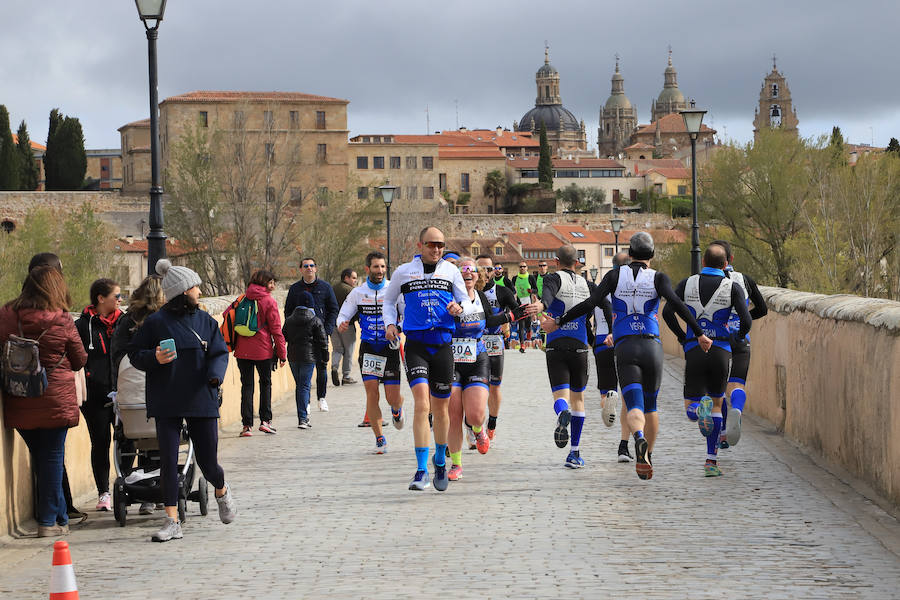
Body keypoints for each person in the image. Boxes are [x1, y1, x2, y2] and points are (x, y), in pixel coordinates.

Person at [542, 233, 711, 480]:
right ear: (651, 256)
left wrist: (559, 321)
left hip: (625, 348)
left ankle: (638, 437)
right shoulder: (658, 278)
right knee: (651, 405)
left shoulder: (613, 276)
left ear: (630, 254)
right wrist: (699, 334)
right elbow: (676, 303)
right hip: (651, 346)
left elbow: (591, 304)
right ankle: (648, 454)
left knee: (633, 404)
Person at [128, 259, 235, 542]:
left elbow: (220, 352)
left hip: (201, 397)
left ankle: (221, 490)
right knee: (167, 461)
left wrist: (215, 377)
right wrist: (154, 358)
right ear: (183, 290)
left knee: (208, 461)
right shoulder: (155, 323)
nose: (199, 291)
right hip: (167, 397)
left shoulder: (206, 322)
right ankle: (172, 521)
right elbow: (135, 353)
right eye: (196, 286)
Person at [383, 226, 473, 491]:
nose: (436, 249)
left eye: (441, 245)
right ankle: (421, 469)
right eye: (432, 244)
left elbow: (466, 300)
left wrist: (460, 308)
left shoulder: (451, 271)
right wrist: (390, 324)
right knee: (423, 405)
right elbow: (389, 302)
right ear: (420, 244)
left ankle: (440, 461)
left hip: (443, 346)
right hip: (416, 346)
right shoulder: (403, 272)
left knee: (441, 408)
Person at [0, 267, 87, 537]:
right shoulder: (61, 318)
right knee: (50, 458)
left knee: (43, 457)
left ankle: (60, 517)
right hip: (54, 398)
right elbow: (80, 359)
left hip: (19, 395)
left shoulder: (6, 314)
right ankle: (48, 522)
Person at [663, 244, 752, 476]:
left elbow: (666, 313)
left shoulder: (687, 283)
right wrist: (737, 336)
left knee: (690, 405)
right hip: (721, 350)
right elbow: (746, 320)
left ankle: (696, 410)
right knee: (717, 403)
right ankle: (711, 462)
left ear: (703, 262)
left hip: (695, 349)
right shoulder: (732, 286)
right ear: (725, 265)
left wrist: (683, 338)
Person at [447, 257, 520, 480]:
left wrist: (511, 316)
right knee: (454, 414)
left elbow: (488, 321)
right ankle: (456, 465)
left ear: (477, 276)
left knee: (476, 415)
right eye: (463, 271)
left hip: (477, 357)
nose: (467, 274)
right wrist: (448, 312)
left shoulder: (479, 297)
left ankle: (479, 431)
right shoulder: (447, 297)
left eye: (472, 271)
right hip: (451, 359)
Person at [522, 245, 593, 469]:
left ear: (555, 261)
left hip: (556, 344)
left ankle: (562, 412)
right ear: (577, 263)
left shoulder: (553, 278)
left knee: (560, 396)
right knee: (579, 399)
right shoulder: (587, 284)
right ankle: (574, 453)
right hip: (580, 344)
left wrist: (542, 305)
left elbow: (548, 296)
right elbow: (599, 307)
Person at [336, 252, 405, 453]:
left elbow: (406, 315)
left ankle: (396, 409)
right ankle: (380, 438)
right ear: (367, 269)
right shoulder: (358, 293)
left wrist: (397, 329)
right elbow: (343, 313)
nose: (380, 271)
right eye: (376, 267)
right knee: (372, 393)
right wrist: (341, 323)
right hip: (369, 348)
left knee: (392, 397)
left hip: (389, 347)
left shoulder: (394, 290)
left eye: (383, 267)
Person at [110, 275, 166, 515]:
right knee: (162, 434)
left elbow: (117, 356)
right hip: (161, 394)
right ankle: (160, 486)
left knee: (130, 435)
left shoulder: (126, 323)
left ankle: (134, 484)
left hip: (130, 399)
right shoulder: (165, 321)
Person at [710, 240, 768, 448]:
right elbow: (762, 309)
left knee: (718, 388)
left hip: (717, 338)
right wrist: (744, 319)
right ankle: (737, 408)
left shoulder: (706, 280)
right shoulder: (744, 279)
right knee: (737, 383)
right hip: (741, 338)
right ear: (731, 259)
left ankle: (723, 432)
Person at [74, 278, 123, 511]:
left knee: (126, 440)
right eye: (116, 296)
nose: (120, 300)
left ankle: (127, 484)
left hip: (124, 393)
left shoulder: (124, 323)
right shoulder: (83, 326)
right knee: (100, 442)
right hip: (95, 396)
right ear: (101, 298)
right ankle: (104, 492)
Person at [591, 251, 634, 462]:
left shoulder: (602, 289)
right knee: (628, 395)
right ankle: (624, 445)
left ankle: (609, 401)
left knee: (605, 389)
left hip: (601, 341)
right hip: (625, 341)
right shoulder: (632, 288)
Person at [234, 269, 287, 437]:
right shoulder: (269, 301)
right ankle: (265, 421)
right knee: (265, 384)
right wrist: (282, 353)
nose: (272, 286)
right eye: (270, 283)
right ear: (263, 283)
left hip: (242, 350)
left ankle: (246, 426)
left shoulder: (242, 298)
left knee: (246, 386)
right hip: (263, 350)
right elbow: (276, 330)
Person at [285, 258, 338, 412]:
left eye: (312, 266)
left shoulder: (325, 287)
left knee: (321, 367)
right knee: (301, 371)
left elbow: (333, 309)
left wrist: (327, 329)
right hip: (300, 337)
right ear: (301, 269)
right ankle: (305, 401)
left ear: (316, 268)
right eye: (306, 266)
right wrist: (292, 328)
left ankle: (321, 397)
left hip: (320, 334)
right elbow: (288, 311)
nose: (309, 268)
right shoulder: (295, 289)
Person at [475, 254, 519, 441]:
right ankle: (473, 427)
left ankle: (491, 423)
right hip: (473, 343)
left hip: (494, 342)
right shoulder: (467, 291)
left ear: (494, 271)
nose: (485, 272)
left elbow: (517, 310)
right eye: (481, 268)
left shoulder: (502, 291)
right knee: (475, 387)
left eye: (489, 268)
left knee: (494, 387)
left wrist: (508, 319)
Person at [283, 291, 329, 429]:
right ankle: (303, 418)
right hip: (309, 357)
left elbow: (282, 337)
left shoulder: (289, 320)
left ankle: (303, 414)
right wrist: (325, 356)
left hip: (292, 357)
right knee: (304, 386)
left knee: (300, 385)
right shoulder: (315, 320)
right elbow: (322, 340)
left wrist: (277, 355)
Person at [331, 268, 359, 386]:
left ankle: (334, 367)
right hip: (347, 325)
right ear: (346, 278)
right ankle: (346, 376)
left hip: (333, 324)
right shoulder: (351, 291)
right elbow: (357, 308)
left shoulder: (332, 288)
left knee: (337, 349)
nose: (355, 281)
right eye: (353, 278)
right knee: (349, 350)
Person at [512, 261, 537, 353]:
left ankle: (529, 330)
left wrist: (531, 291)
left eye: (524, 266)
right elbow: (512, 290)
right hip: (520, 303)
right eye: (520, 267)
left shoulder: (530, 277)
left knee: (527, 323)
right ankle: (522, 345)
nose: (522, 268)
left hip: (529, 302)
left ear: (527, 268)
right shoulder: (515, 278)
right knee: (521, 324)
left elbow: (536, 290)